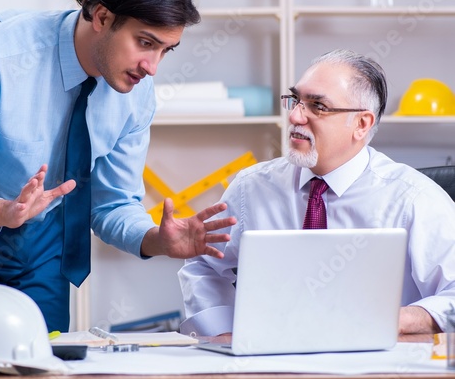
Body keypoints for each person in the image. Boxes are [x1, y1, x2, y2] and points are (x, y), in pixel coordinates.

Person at [0, 0, 234, 332]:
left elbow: (112, 203)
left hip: (45, 239)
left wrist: (157, 240)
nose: (152, 67)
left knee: (44, 357)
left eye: (165, 50)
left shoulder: (136, 93)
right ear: (102, 17)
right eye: (145, 42)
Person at [178, 49, 455, 337]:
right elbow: (203, 264)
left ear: (361, 124)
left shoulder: (413, 199)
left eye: (318, 106)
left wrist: (396, 319)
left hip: (373, 356)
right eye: (296, 100)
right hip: (270, 355)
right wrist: (223, 332)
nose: (295, 116)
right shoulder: (252, 187)